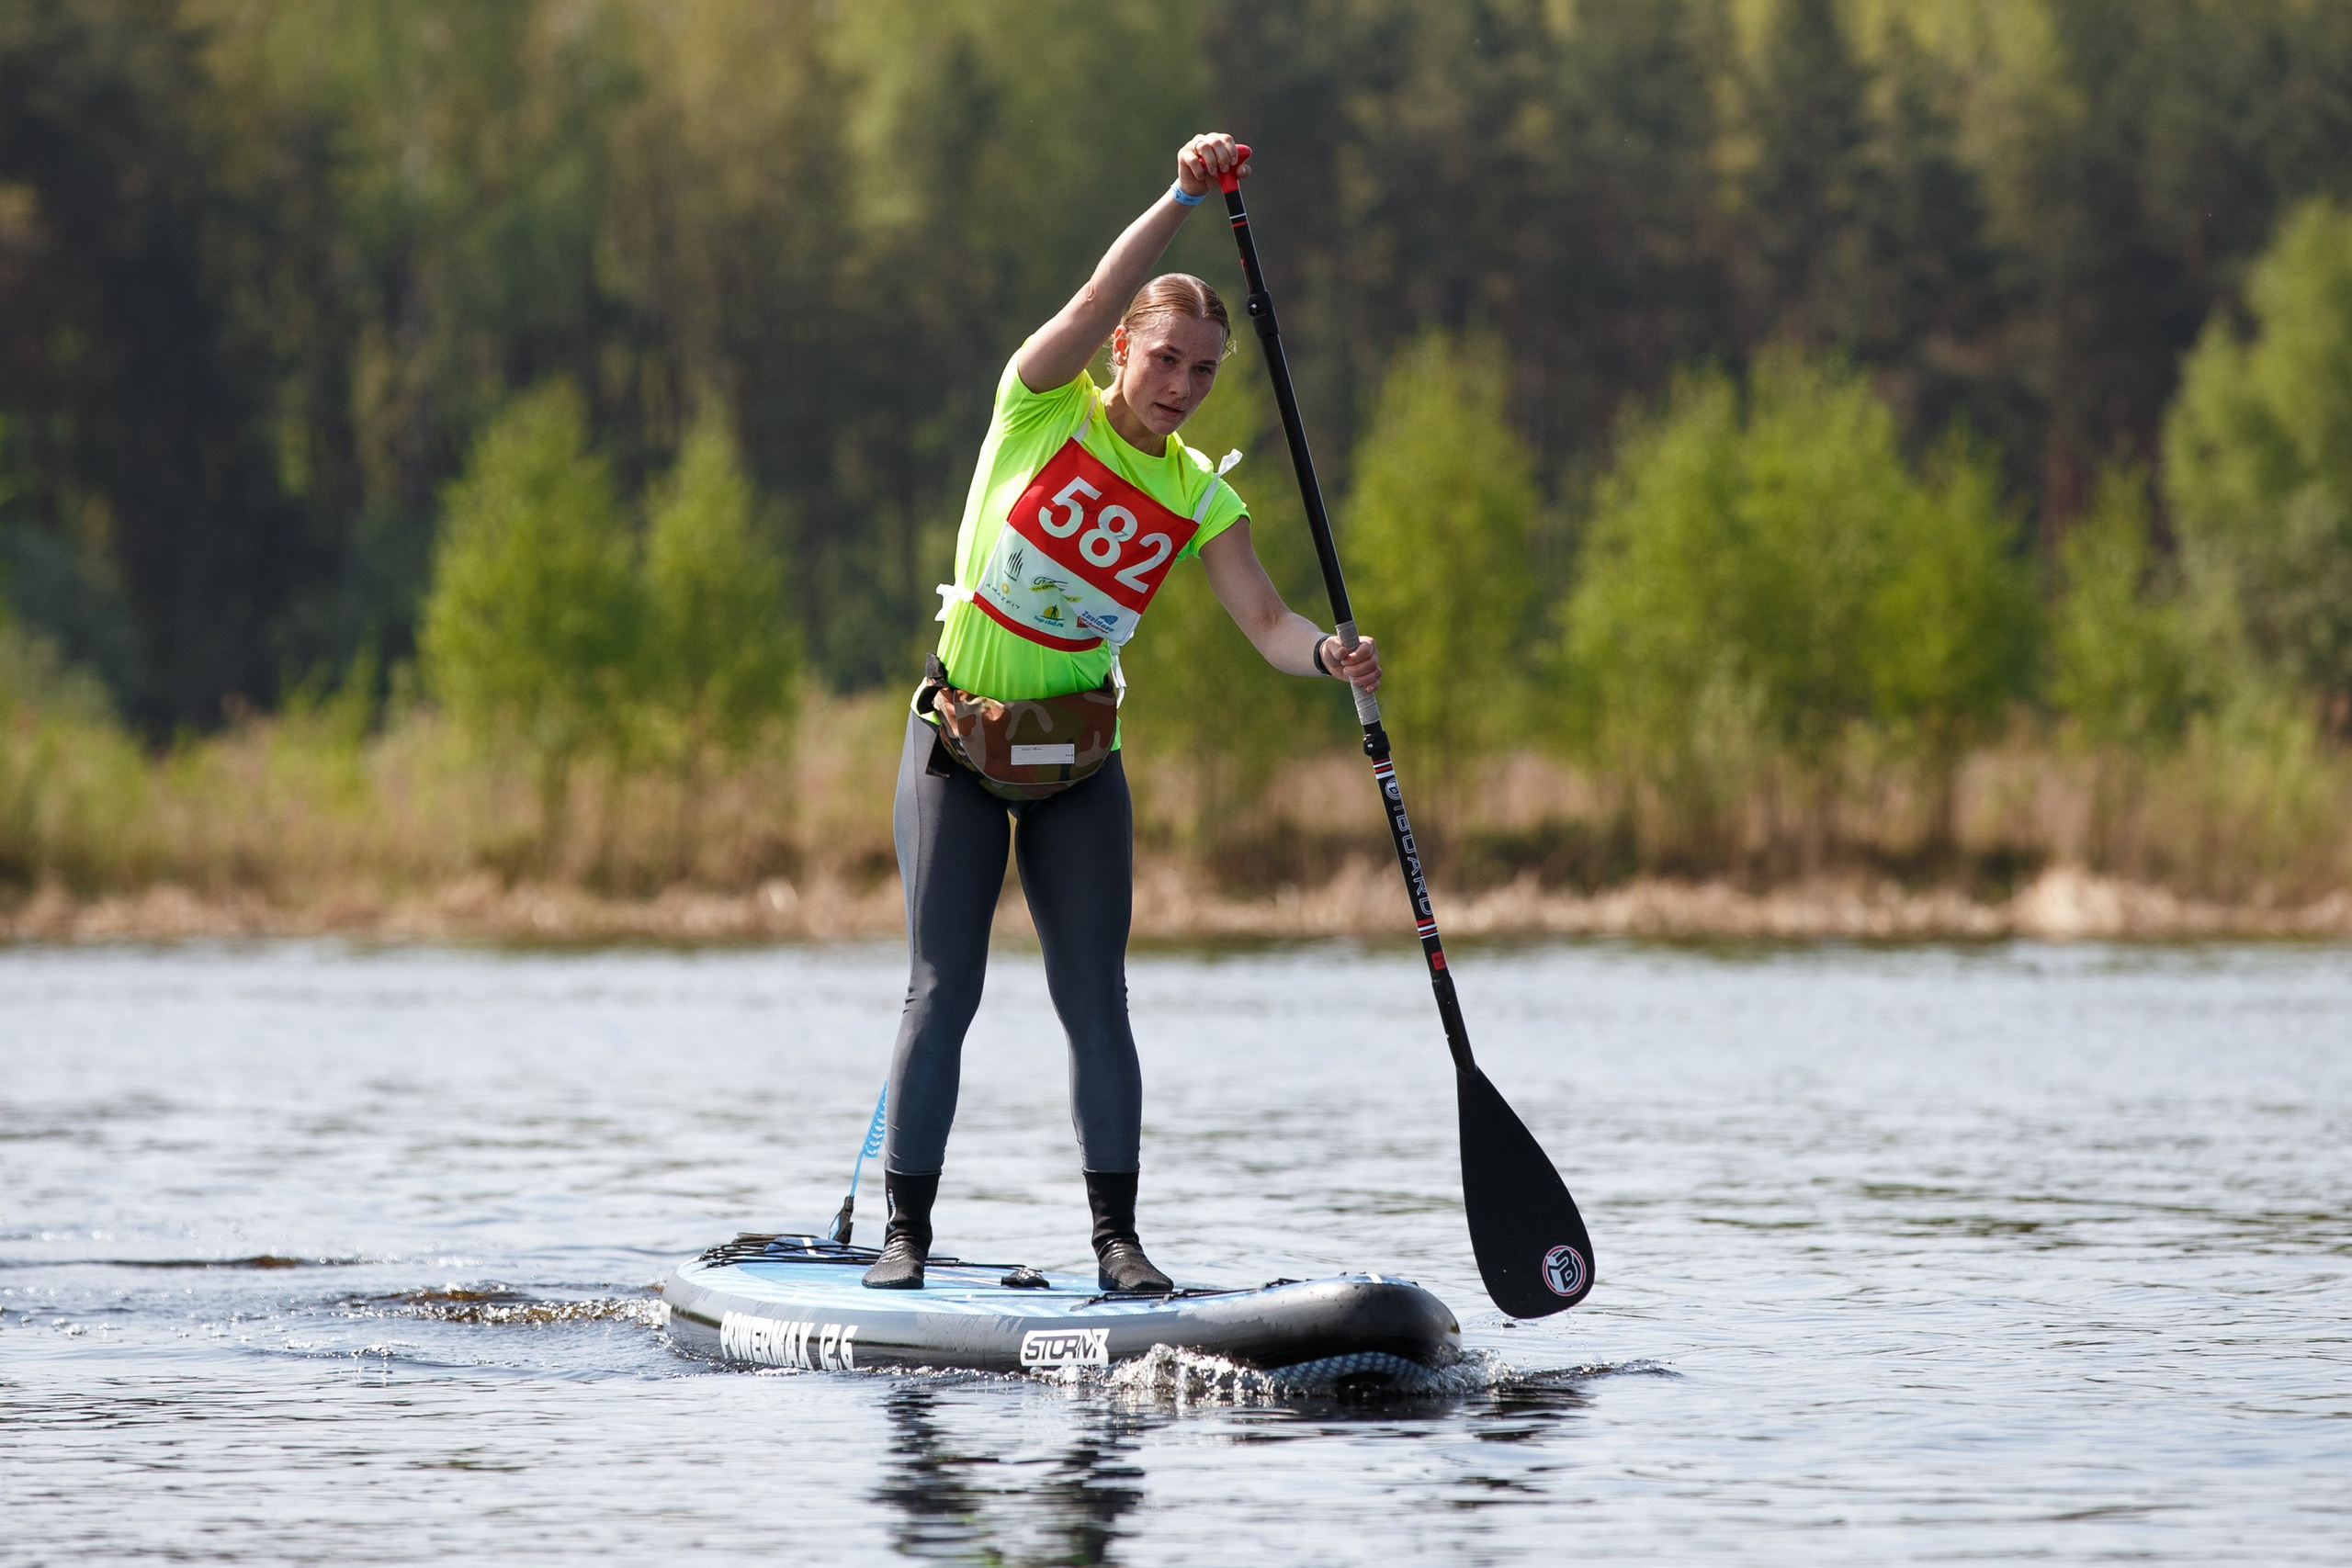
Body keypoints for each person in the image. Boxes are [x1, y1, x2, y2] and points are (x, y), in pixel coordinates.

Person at [865, 132, 1382, 1292]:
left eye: (1203, 370)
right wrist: (1181, 198)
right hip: (958, 744)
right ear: (1122, 351)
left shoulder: (1199, 490)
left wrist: (1331, 656)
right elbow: (1099, 285)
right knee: (944, 988)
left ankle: (1117, 1246)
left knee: (1096, 998)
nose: (1182, 386)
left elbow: (1266, 624)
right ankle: (906, 1238)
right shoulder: (1038, 411)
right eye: (1165, 360)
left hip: (1078, 767)